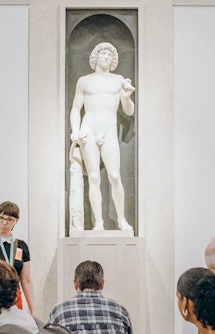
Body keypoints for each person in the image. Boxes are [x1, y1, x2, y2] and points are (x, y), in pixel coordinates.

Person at [69, 42, 135, 232]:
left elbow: (128, 111)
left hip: (109, 130)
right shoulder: (84, 81)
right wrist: (75, 130)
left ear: (113, 60)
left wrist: (127, 96)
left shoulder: (119, 80)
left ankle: (121, 219)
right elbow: (75, 108)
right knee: (94, 176)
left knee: (114, 176)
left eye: (109, 54)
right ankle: (98, 222)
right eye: (102, 53)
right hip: (88, 129)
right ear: (95, 57)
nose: (106, 57)